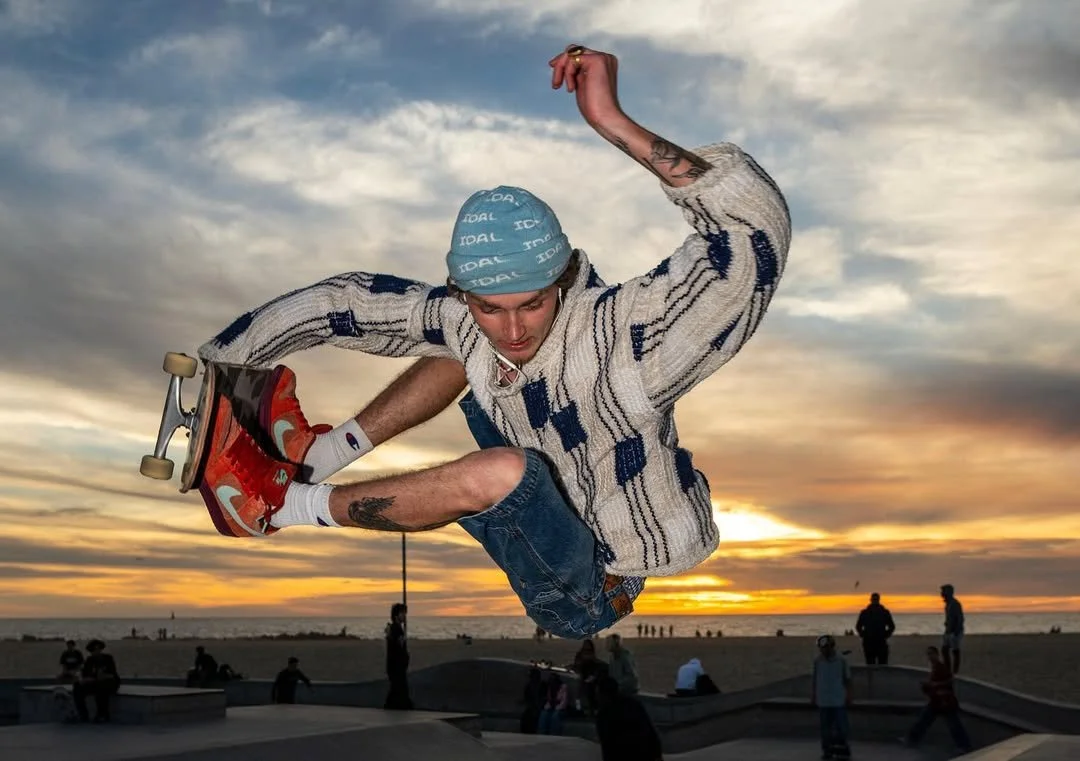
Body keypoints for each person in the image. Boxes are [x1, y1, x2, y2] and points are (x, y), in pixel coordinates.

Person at [193, 43, 790, 641]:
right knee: (465, 352)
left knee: (502, 471)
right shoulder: (462, 318)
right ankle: (321, 454)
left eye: (533, 304)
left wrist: (614, 122)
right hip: (548, 478)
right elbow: (343, 302)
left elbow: (753, 229)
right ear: (463, 291)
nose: (513, 329)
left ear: (561, 279)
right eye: (488, 308)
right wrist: (221, 363)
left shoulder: (632, 338)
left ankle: (279, 505)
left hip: (597, 580)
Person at [901, 646, 973, 754]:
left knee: (953, 725)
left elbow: (948, 682)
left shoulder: (940, 667)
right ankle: (911, 739)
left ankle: (965, 746)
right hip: (937, 701)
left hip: (946, 702)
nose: (930, 656)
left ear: (937, 654)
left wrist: (931, 685)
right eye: (928, 654)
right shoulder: (935, 667)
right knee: (924, 720)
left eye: (931, 654)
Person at [595, 675, 664, 761]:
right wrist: (657, 755)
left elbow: (608, 747)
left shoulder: (604, 715)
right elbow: (650, 732)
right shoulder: (633, 704)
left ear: (602, 694)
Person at [811, 635, 852, 760]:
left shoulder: (841, 660)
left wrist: (849, 695)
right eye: (822, 648)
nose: (824, 651)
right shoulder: (817, 661)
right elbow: (815, 679)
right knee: (825, 728)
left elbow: (847, 679)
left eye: (827, 648)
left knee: (841, 726)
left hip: (838, 699)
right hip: (823, 700)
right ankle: (827, 750)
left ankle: (842, 748)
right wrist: (814, 695)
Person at [73, 639, 120, 723]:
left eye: (98, 649)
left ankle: (102, 714)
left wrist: (97, 678)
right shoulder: (89, 660)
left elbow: (112, 674)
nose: (96, 651)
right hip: (94, 683)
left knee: (101, 687)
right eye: (94, 650)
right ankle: (83, 714)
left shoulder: (108, 658)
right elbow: (85, 675)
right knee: (77, 687)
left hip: (109, 683)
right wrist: (82, 679)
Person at [384, 602, 413, 709]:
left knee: (397, 689)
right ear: (396, 615)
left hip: (395, 665)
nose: (404, 616)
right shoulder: (396, 629)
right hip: (396, 666)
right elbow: (398, 648)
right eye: (403, 613)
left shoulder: (394, 629)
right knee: (399, 688)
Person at [855, 592, 896, 665]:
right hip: (869, 643)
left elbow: (892, 626)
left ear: (879, 600)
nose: (875, 601)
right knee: (870, 666)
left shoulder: (884, 612)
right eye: (874, 599)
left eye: (876, 599)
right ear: (871, 600)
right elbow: (858, 626)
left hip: (881, 642)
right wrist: (864, 635)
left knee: (882, 666)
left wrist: (885, 635)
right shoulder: (865, 613)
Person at [571, 638, 607, 715]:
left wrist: (593, 676)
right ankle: (582, 708)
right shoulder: (581, 654)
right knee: (582, 690)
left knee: (591, 690)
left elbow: (596, 665)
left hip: (590, 677)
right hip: (583, 676)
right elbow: (577, 665)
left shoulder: (590, 655)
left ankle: (591, 708)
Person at [941, 584, 965, 674]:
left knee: (955, 651)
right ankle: (948, 669)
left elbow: (960, 618)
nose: (942, 594)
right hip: (948, 631)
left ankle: (955, 671)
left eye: (943, 592)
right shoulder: (948, 605)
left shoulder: (955, 604)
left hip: (954, 632)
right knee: (944, 650)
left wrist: (956, 632)